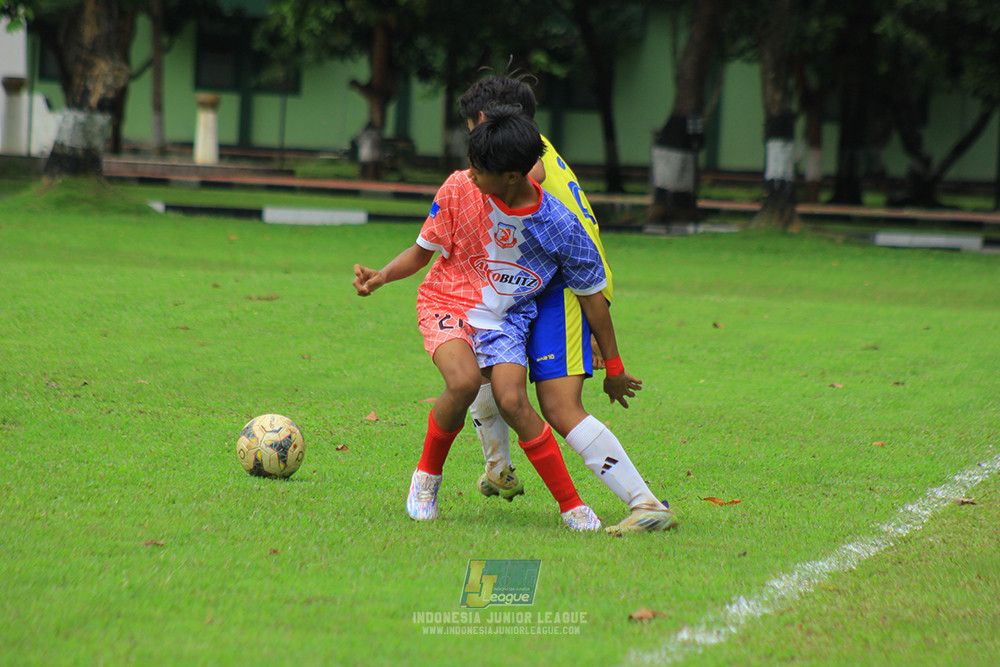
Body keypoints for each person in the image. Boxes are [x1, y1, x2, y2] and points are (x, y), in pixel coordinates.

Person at [353, 105, 631, 531]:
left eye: (480, 170)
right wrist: (382, 277)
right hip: (448, 302)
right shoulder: (457, 189)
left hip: (507, 320)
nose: (470, 175)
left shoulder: (559, 226)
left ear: (513, 177)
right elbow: (422, 252)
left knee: (514, 401)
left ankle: (572, 505)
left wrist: (613, 366)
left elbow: (592, 299)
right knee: (463, 382)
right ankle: (425, 480)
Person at [459, 74, 678, 535]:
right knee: (482, 359)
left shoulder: (523, 165)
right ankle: (498, 469)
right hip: (547, 285)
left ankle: (645, 502)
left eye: (472, 129)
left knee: (559, 406)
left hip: (570, 290)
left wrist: (611, 359)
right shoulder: (534, 149)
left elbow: (530, 191)